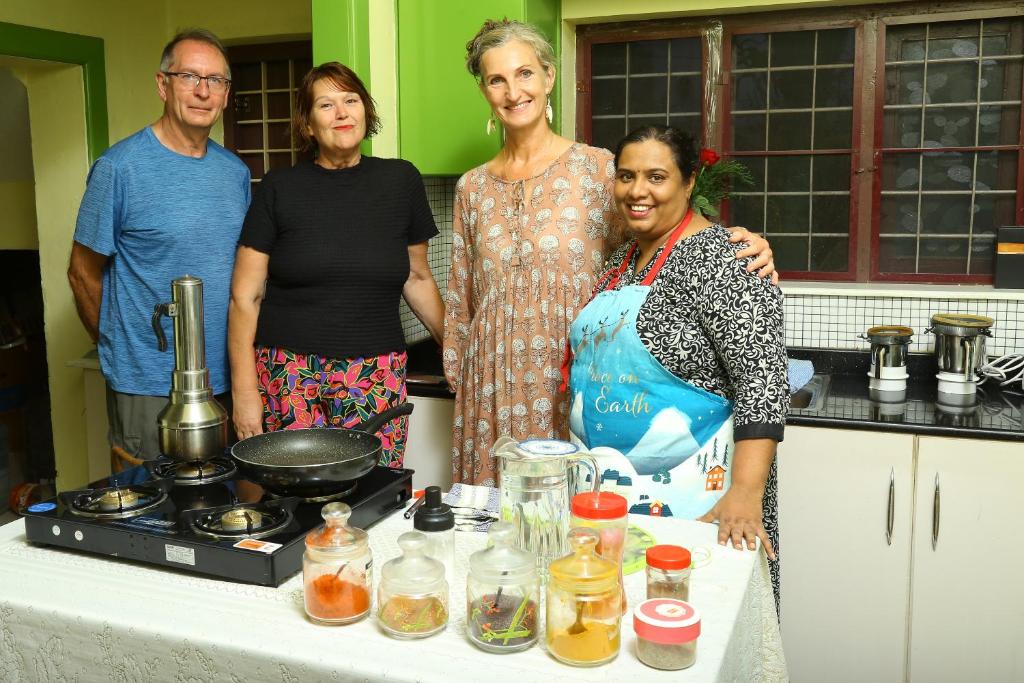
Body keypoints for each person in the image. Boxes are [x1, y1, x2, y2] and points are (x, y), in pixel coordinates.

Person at [443, 19, 776, 485]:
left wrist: (741, 243)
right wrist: (464, 376)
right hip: (492, 385)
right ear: (484, 90)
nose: (513, 91)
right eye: (497, 79)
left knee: (574, 530)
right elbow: (462, 294)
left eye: (524, 74)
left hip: (582, 384)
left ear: (549, 78)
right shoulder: (471, 188)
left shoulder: (598, 169)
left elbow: (666, 234)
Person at [566, 125, 788, 599]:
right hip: (614, 499)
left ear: (689, 184)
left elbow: (763, 385)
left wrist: (744, 498)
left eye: (656, 176)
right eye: (626, 176)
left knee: (689, 628)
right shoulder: (622, 262)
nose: (637, 191)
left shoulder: (724, 259)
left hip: (704, 501)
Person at [228, 62, 443, 467]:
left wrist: (453, 347)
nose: (342, 113)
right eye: (326, 105)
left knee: (373, 489)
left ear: (366, 111)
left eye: (351, 100)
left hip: (375, 371)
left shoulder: (401, 182)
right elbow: (245, 294)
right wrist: (244, 391)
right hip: (288, 372)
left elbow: (417, 277)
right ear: (308, 125)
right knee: (294, 494)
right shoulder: (279, 187)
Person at [68, 29, 250, 462]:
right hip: (149, 386)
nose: (203, 91)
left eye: (216, 81)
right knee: (150, 511)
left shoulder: (235, 173)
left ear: (226, 95)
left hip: (223, 379)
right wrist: (121, 350)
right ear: (162, 84)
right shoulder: (119, 168)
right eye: (190, 76)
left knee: (219, 511)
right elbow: (82, 273)